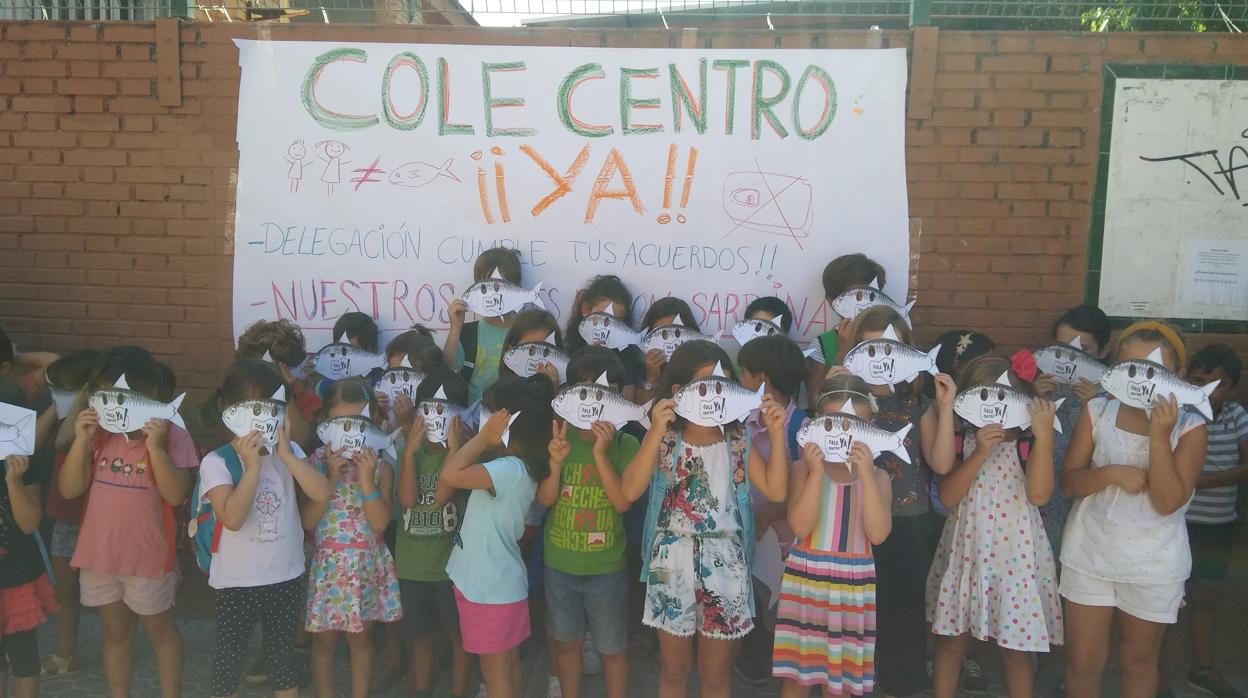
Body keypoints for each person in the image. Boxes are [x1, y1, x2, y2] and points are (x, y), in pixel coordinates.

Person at [621, 340, 790, 698]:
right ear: (678, 390)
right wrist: (654, 430)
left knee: (715, 674)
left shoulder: (737, 440)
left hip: (725, 561)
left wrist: (777, 435)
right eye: (705, 387)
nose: (715, 396)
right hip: (670, 558)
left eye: (723, 387)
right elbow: (630, 490)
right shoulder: (665, 439)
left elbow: (776, 490)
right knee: (673, 668)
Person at [1060, 322, 1207, 698]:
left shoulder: (1189, 428)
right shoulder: (1097, 412)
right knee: (1082, 660)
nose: (1140, 379)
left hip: (1154, 565)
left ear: (1178, 376)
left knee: (1139, 662)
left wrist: (1159, 436)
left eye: (1153, 370)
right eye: (1129, 368)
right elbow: (1070, 483)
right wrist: (1109, 474)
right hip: (1089, 554)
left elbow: (1167, 501)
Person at [830, 306, 956, 698]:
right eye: (868, 351)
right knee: (854, 607)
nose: (880, 361)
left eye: (889, 351)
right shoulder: (848, 400)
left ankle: (900, 683)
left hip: (908, 521)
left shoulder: (918, 405)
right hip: (854, 519)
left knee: (902, 607)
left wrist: (947, 407)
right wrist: (838, 383)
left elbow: (940, 462)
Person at [927, 354, 1063, 698]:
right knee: (950, 644)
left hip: (1014, 560)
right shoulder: (962, 439)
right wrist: (978, 455)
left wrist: (1044, 436)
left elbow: (1040, 494)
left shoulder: (1028, 442)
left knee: (1017, 652)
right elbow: (947, 495)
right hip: (966, 554)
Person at [60, 359, 197, 698]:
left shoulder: (172, 436)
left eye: (115, 397)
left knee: (160, 633)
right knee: (116, 632)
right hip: (100, 555)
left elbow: (177, 493)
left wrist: (155, 448)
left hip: (148, 559)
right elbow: (69, 489)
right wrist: (80, 440)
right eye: (102, 396)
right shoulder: (99, 436)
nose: (106, 404)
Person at [199, 359, 331, 698]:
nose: (266, 419)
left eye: (275, 408)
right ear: (231, 412)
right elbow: (232, 517)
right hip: (239, 580)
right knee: (230, 655)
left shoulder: (290, 453)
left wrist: (286, 456)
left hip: (285, 574)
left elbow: (321, 493)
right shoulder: (217, 461)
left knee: (281, 655)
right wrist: (253, 466)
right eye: (256, 409)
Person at [773, 374, 893, 697]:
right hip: (807, 583)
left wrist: (866, 474)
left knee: (839, 684)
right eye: (833, 424)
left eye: (855, 425)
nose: (844, 434)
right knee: (796, 678)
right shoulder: (803, 471)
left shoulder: (879, 478)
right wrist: (814, 474)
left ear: (871, 428)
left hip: (852, 590)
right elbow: (799, 526)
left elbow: (878, 534)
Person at [442, 376, 555, 698]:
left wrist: (480, 440)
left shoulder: (507, 469)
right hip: (499, 586)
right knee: (506, 668)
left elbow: (450, 475)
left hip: (488, 589)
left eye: (490, 416)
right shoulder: (519, 468)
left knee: (495, 674)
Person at [538, 347, 640, 698]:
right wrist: (554, 464)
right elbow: (545, 500)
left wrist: (600, 453)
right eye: (584, 393)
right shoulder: (558, 439)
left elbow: (622, 502)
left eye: (604, 395)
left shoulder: (624, 444)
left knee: (613, 650)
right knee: (567, 645)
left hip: (606, 566)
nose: (593, 405)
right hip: (559, 564)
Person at [302, 379, 402, 698]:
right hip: (328, 565)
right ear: (323, 424)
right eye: (340, 424)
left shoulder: (379, 466)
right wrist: (329, 478)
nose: (349, 434)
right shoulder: (315, 462)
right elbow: (307, 521)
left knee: (362, 638)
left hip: (365, 563)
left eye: (357, 424)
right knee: (324, 640)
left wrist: (364, 479)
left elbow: (381, 521)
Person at [733, 333, 809, 685]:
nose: (739, 381)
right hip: (743, 533)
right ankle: (755, 656)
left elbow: (807, 485)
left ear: (761, 379)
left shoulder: (802, 427)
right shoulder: (740, 420)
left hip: (784, 541)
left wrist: (773, 513)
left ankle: (786, 665)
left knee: (779, 605)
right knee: (751, 597)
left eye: (743, 374)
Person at [394, 370, 473, 698]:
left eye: (446, 411)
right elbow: (409, 500)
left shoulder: (466, 455)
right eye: (428, 410)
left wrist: (455, 450)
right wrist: (410, 452)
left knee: (459, 638)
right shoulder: (407, 451)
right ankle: (422, 689)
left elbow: (445, 494)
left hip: (452, 570)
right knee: (420, 636)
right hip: (413, 567)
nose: (435, 418)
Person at [1180, 344, 1247, 697]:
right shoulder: (1178, 411)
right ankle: (1156, 674)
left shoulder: (1234, 415)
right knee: (1169, 602)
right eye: (1198, 380)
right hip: (1178, 525)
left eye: (1218, 383)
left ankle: (1201, 669)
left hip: (1218, 524)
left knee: (1206, 599)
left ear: (1233, 387)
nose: (1207, 389)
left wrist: (1204, 482)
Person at [37, 350, 99, 679]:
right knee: (65, 590)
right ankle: (64, 654)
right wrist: (57, 405)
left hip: (95, 517)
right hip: (66, 516)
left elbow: (63, 442)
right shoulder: (64, 413)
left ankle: (114, 649)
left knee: (104, 593)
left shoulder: (94, 420)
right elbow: (39, 439)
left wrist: (78, 404)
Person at [1033, 304, 1111, 555]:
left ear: (1104, 350)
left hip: (1087, 506)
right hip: (1039, 501)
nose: (1070, 359)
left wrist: (1094, 405)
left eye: (1082, 350)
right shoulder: (1037, 388)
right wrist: (1036, 399)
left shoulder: (1112, 397)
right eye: (1062, 349)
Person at [1, 389, 57, 698]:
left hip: (14, 577)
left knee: (23, 655)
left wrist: (13, 481)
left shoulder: (22, 462)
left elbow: (29, 522)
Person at [443, 247, 528, 405]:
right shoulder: (468, 333)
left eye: (501, 286)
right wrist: (455, 329)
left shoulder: (526, 334)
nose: (493, 294)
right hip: (473, 422)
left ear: (515, 289)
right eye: (485, 287)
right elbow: (447, 370)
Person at [808, 254, 887, 408]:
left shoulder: (891, 336)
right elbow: (813, 402)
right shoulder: (822, 345)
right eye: (854, 298)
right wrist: (842, 355)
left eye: (870, 296)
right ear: (832, 303)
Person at [635, 297, 701, 405]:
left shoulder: (700, 367)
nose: (670, 341)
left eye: (677, 333)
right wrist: (651, 378)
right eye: (662, 335)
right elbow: (640, 416)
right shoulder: (642, 371)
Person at [498, 308, 563, 388]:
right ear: (510, 348)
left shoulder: (570, 395)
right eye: (529, 351)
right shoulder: (497, 395)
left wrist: (553, 392)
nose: (536, 361)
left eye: (545, 352)